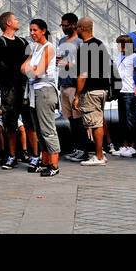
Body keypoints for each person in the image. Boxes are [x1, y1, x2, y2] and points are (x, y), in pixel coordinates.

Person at [0, 11, 32, 170]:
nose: (18, 20)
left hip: (22, 87)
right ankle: (11, 155)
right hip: (10, 89)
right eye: (15, 18)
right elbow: (0, 66)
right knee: (10, 123)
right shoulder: (0, 43)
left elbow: (31, 58)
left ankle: (30, 154)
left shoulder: (23, 41)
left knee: (28, 122)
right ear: (8, 23)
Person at [21, 19, 60, 176]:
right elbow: (23, 68)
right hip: (35, 91)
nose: (32, 33)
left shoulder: (48, 47)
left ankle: (54, 165)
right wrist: (33, 70)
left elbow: (36, 72)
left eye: (35, 30)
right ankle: (45, 162)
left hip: (45, 91)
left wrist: (32, 70)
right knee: (39, 129)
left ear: (43, 30)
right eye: (31, 30)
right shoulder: (36, 48)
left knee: (47, 129)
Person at [73, 17, 111, 166]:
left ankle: (99, 156)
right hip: (102, 89)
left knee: (95, 124)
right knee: (98, 121)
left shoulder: (84, 47)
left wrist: (77, 95)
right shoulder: (100, 44)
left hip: (91, 91)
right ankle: (99, 153)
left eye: (77, 27)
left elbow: (83, 74)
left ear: (82, 28)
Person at [55, 13, 87, 161]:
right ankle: (77, 148)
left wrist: (68, 64)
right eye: (62, 25)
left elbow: (85, 65)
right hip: (63, 83)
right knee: (71, 120)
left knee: (79, 119)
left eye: (66, 25)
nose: (63, 28)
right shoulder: (61, 41)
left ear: (74, 25)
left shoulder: (81, 42)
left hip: (75, 85)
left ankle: (84, 149)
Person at [111, 35, 136, 157]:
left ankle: (133, 145)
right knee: (122, 119)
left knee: (130, 119)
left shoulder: (134, 58)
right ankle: (125, 145)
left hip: (129, 90)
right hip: (120, 91)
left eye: (118, 44)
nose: (117, 46)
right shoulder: (119, 57)